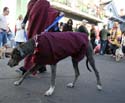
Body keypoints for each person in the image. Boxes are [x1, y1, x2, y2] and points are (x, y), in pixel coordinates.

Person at [17, 0, 60, 75]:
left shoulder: (44, 2)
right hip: (31, 27)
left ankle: (27, 67)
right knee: (37, 47)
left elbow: (50, 11)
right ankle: (41, 66)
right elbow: (28, 13)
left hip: (40, 28)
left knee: (34, 47)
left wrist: (58, 13)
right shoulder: (31, 2)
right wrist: (24, 22)